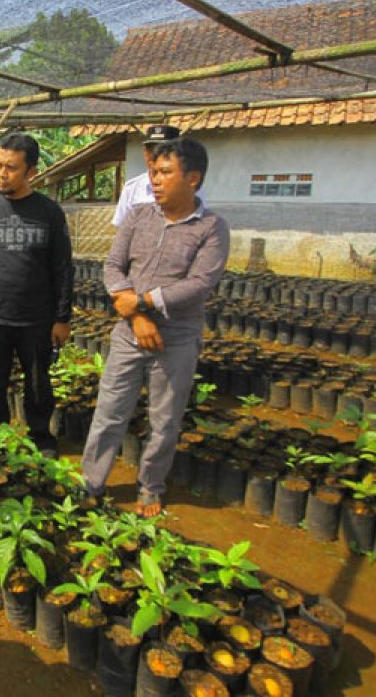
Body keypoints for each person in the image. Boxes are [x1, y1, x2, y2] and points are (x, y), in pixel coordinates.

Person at [82, 137, 230, 517]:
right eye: (153, 173)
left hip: (177, 338)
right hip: (130, 333)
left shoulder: (212, 228)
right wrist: (137, 316)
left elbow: (200, 283)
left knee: (164, 419)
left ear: (192, 178)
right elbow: (113, 267)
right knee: (110, 411)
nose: (156, 181)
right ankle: (92, 483)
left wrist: (144, 302)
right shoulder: (138, 216)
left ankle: (150, 486)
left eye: (165, 173)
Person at [0, 132, 73, 455]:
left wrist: (62, 318)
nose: (1, 173)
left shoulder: (49, 213)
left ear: (31, 172)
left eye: (10, 167)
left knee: (38, 384)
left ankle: (40, 436)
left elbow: (63, 269)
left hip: (37, 319)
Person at [111, 124, 180, 228]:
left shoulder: (191, 189)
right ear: (145, 153)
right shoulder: (132, 189)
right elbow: (121, 229)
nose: (155, 156)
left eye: (163, 151)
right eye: (151, 150)